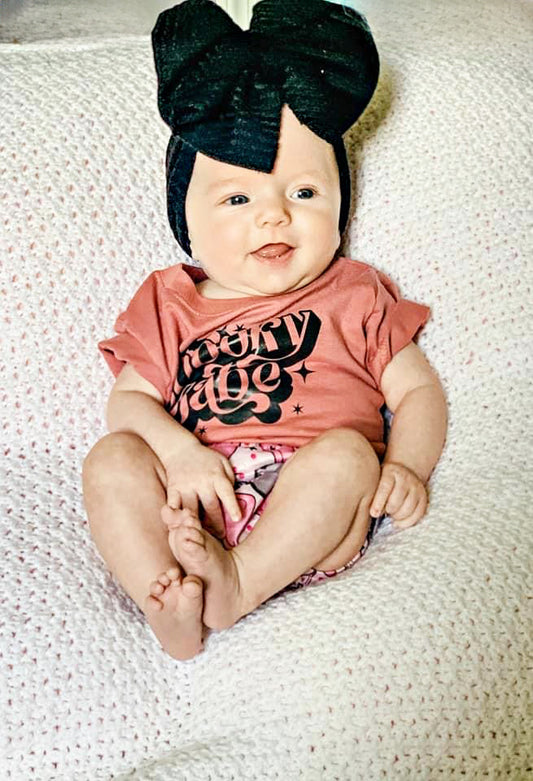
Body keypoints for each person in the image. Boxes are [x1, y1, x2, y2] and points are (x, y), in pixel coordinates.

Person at [82, 0, 447, 661]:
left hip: (306, 513)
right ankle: (165, 597)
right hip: (195, 500)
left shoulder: (354, 291)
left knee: (347, 457)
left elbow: (417, 391)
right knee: (111, 459)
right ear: (186, 219)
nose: (274, 215)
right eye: (237, 198)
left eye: (304, 193)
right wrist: (179, 453)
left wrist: (404, 467)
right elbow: (128, 403)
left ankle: (241, 583)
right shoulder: (169, 300)